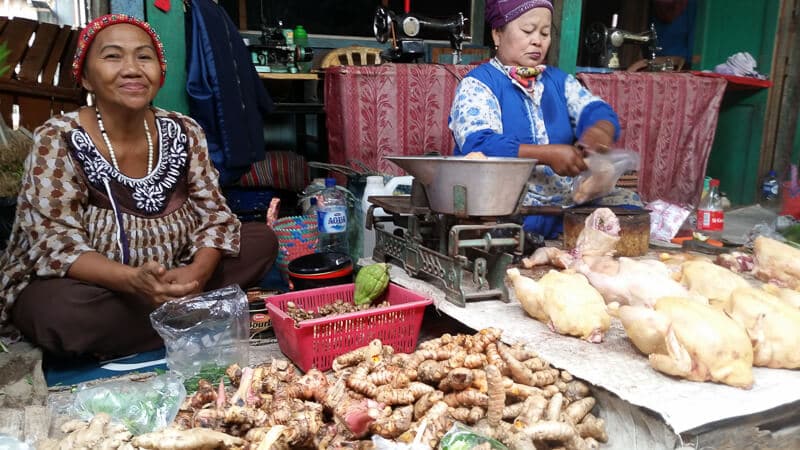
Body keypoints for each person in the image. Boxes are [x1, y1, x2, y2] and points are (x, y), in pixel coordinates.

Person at [0, 14, 278, 359]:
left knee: (260, 240)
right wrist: (132, 281)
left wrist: (197, 273)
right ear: (85, 77)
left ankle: (167, 316)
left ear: (160, 75)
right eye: (113, 56)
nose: (132, 69)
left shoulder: (184, 131)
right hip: (96, 286)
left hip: (177, 273)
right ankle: (203, 316)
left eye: (144, 57)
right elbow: (54, 242)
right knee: (58, 314)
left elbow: (215, 217)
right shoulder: (58, 137)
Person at [449, 0, 642, 238]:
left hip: (563, 205)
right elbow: (479, 144)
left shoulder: (558, 81)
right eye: (528, 31)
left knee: (630, 206)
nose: (537, 41)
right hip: (506, 207)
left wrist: (599, 132)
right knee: (499, 227)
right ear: (497, 34)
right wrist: (547, 154)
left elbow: (596, 111)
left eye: (545, 32)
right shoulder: (478, 84)